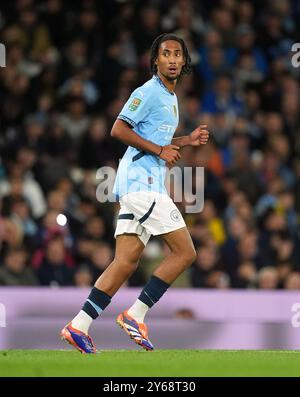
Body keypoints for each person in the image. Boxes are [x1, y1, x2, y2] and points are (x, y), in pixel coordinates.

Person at [61, 33, 209, 353]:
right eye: (165, 54)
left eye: (177, 54)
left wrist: (186, 141)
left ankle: (79, 324)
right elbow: (119, 128)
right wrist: (160, 148)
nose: (171, 59)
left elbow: (156, 142)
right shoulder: (147, 91)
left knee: (126, 262)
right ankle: (136, 314)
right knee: (185, 253)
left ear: (184, 62)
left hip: (139, 184)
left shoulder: (169, 97)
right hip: (142, 185)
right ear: (155, 60)